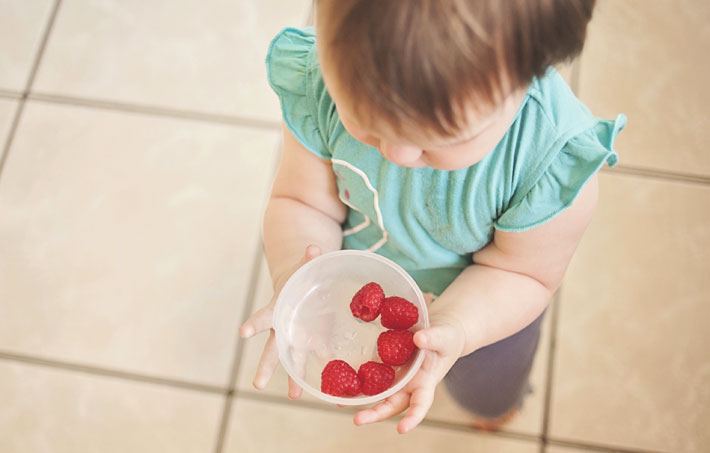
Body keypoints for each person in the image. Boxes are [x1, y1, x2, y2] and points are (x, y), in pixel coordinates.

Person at [240, 0, 625, 433]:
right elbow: (303, 202)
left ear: (532, 72)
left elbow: (524, 274)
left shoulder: (548, 161)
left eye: (438, 140)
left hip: (486, 306)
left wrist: (458, 327)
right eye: (366, 122)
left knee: (488, 385)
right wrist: (297, 275)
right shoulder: (323, 84)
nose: (397, 154)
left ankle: (494, 407)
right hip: (367, 274)